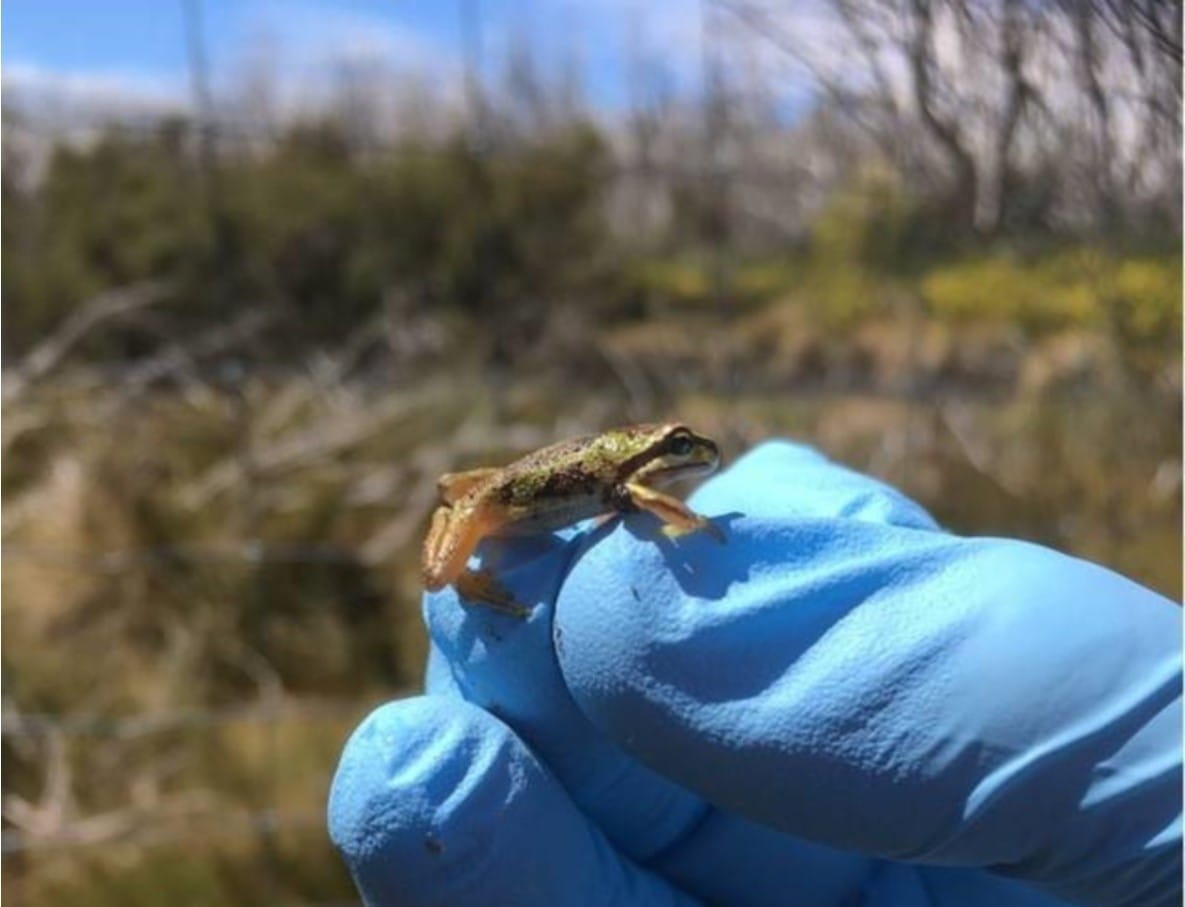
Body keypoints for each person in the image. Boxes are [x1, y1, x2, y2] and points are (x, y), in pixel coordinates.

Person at [328, 441, 1182, 907]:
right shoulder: (629, 485)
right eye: (675, 453)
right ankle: (477, 579)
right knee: (467, 590)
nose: (685, 461)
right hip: (502, 504)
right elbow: (652, 509)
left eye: (679, 453)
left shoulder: (629, 482)